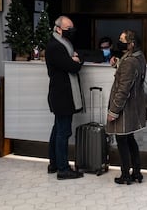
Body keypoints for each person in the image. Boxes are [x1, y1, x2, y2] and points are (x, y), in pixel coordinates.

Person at [106, 29, 147, 185]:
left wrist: (114, 110)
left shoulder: (130, 61)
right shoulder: (138, 56)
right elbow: (129, 73)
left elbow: (123, 89)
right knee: (129, 138)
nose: (119, 42)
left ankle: (125, 174)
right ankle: (137, 172)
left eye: (122, 40)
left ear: (131, 44)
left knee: (121, 139)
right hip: (134, 104)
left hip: (125, 107)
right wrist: (117, 64)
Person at [45, 15, 85, 180]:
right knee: (63, 132)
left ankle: (54, 163)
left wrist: (74, 59)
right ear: (59, 29)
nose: (72, 32)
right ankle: (62, 168)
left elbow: (72, 63)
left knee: (57, 130)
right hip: (62, 96)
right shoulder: (56, 47)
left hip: (61, 95)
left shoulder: (62, 45)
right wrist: (76, 60)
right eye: (69, 29)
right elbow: (72, 67)